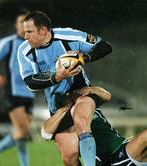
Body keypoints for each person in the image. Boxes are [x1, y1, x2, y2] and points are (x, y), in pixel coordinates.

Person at [17, 10, 112, 166]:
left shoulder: (69, 36)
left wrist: (84, 57)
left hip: (81, 94)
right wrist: (57, 76)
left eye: (29, 32)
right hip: (59, 105)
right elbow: (30, 82)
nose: (25, 37)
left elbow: (105, 46)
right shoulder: (24, 51)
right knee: (69, 156)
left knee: (82, 121)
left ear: (42, 30)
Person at [41, 86, 147, 166]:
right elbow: (45, 133)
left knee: (144, 137)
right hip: (102, 161)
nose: (71, 93)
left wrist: (91, 89)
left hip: (121, 151)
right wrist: (64, 109)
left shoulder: (88, 103)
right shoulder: (64, 121)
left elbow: (107, 96)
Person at [0, 10, 35, 166]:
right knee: (23, 132)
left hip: (30, 93)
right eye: (21, 21)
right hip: (13, 91)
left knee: (21, 133)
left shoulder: (33, 43)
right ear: (16, 25)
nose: (23, 24)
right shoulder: (8, 42)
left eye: (26, 21)